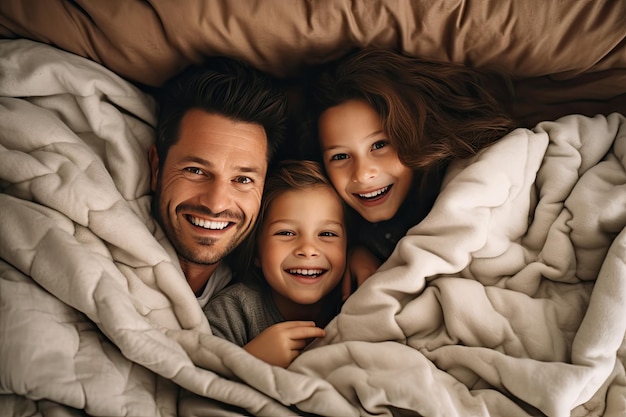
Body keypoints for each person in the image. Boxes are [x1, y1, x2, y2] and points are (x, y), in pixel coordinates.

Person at [302, 48, 517, 287]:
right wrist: (352, 250)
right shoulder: (340, 228)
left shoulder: (461, 183)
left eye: (380, 145)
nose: (363, 174)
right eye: (340, 156)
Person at [149, 56, 288, 307]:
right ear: (157, 168)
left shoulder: (254, 299)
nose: (216, 203)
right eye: (196, 170)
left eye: (243, 179)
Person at [204, 160, 349, 368]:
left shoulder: (356, 298)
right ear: (256, 251)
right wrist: (249, 362)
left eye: (327, 234)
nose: (308, 249)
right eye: (286, 233)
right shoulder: (234, 310)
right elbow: (202, 384)